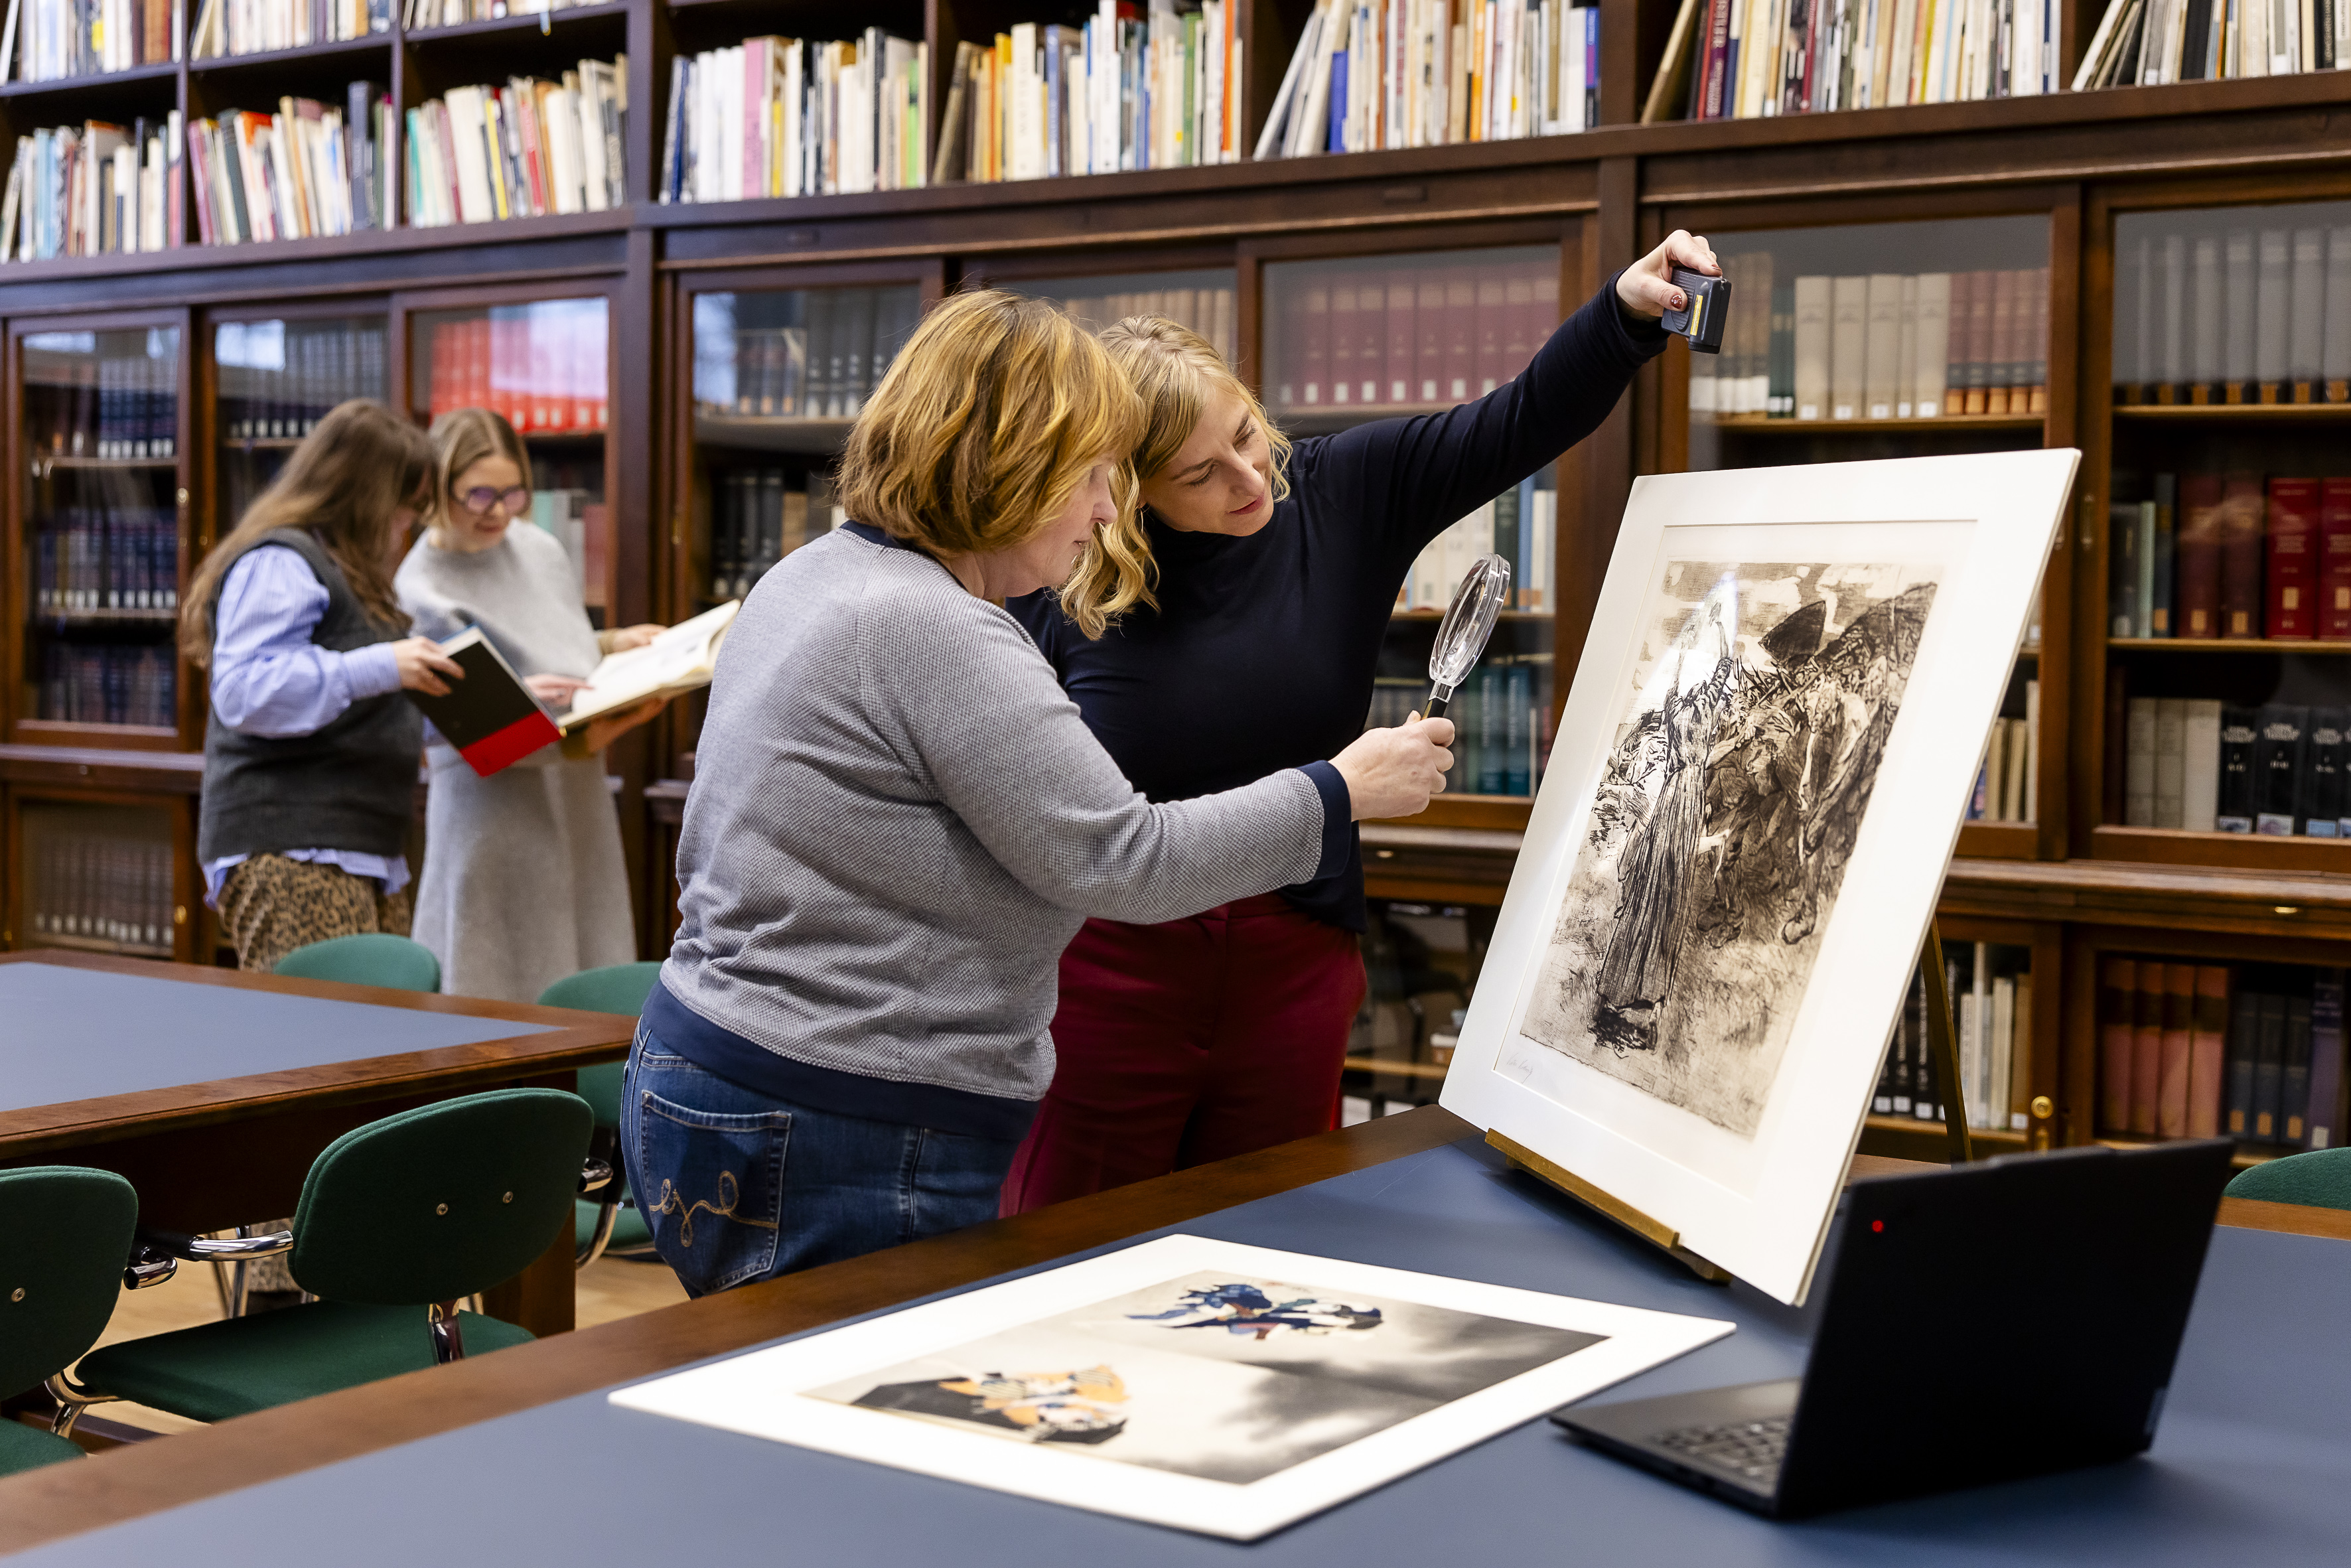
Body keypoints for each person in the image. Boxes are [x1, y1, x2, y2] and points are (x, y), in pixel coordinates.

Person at [624, 289, 1455, 1297]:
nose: (1111, 511)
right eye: (1095, 477)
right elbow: (1122, 858)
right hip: (844, 1110)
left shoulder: (811, 573)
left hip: (711, 1061)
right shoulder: (934, 627)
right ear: (1012, 470)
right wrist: (1338, 791)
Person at [998, 233, 1721, 1213]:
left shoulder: (1341, 489)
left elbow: (1515, 420)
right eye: (1199, 474)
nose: (1249, 479)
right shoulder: (1063, 570)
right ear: (1125, 493)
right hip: (1108, 965)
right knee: (1067, 1239)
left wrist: (1624, 315)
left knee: (1271, 1243)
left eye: (1246, 435)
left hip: (1294, 958)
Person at [395, 407, 666, 1003]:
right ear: (438, 488)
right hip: (492, 809)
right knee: (499, 990)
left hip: (577, 796)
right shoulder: (422, 587)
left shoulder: (538, 546)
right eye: (480, 495)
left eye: (514, 491)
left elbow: (543, 650)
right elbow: (481, 724)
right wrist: (587, 737)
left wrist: (611, 644)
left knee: (585, 983)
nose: (499, 511)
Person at [185, 399, 458, 972]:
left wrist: (518, 700)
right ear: (365, 497)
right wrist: (383, 665)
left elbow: (373, 706)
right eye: (402, 510)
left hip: (365, 848)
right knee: (323, 1047)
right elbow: (242, 691)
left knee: (378, 1045)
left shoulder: (356, 578)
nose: (403, 528)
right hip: (292, 848)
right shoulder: (282, 561)